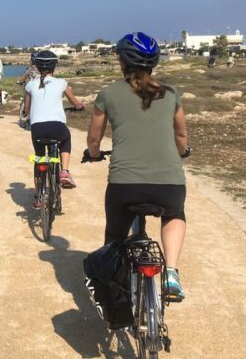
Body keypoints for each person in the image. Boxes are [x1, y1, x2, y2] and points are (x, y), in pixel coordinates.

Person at [85, 32, 189, 301]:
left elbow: (94, 138)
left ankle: (116, 290)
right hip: (169, 185)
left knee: (114, 236)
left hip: (125, 186)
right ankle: (172, 273)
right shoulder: (171, 94)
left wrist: (93, 154)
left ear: (122, 62)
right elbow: (180, 136)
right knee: (175, 214)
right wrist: (183, 152)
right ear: (153, 63)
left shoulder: (108, 93)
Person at [24, 50, 85, 207]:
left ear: (36, 66)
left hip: (37, 128)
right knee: (65, 139)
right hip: (57, 127)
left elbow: (26, 109)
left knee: (39, 159)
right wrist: (79, 106)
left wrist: (28, 113)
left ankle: (38, 196)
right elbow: (76, 102)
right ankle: (64, 171)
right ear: (54, 66)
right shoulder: (61, 83)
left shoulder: (30, 84)